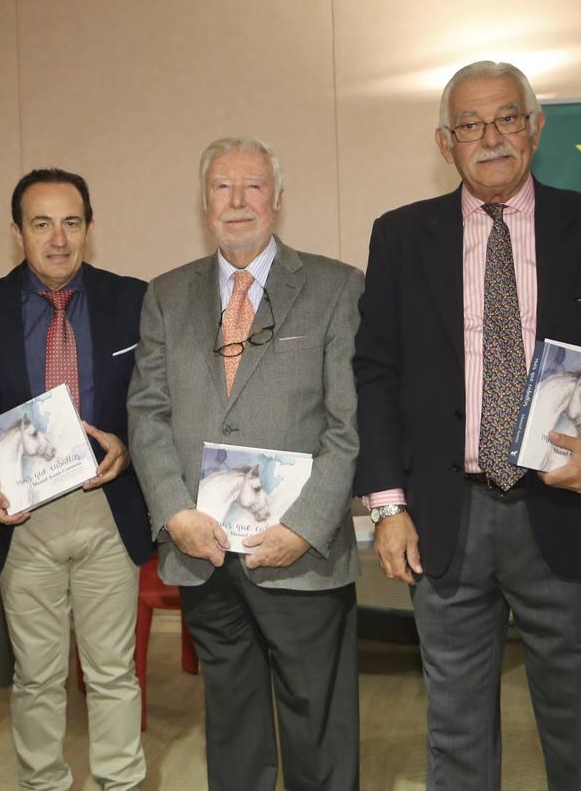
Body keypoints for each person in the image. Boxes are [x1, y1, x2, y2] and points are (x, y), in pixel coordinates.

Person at [352, 60, 581, 790]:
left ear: (536, 127)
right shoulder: (401, 236)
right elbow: (375, 374)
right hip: (447, 520)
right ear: (445, 144)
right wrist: (386, 505)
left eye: (507, 117)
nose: (491, 137)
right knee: (457, 739)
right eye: (470, 124)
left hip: (572, 509)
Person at [127, 136, 363, 791]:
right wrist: (175, 513)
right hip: (202, 552)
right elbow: (148, 414)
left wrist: (307, 527)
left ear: (279, 200)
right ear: (204, 203)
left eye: (253, 186)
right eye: (223, 187)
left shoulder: (335, 288)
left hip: (299, 553)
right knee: (231, 722)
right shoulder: (166, 297)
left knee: (318, 725)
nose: (238, 201)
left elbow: (350, 425)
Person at [0, 168, 151, 790]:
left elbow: (160, 402)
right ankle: (43, 784)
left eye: (72, 222)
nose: (58, 239)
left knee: (113, 671)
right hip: (23, 517)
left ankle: (120, 782)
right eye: (42, 223)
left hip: (107, 508)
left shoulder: (136, 301)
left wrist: (131, 446)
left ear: (90, 227)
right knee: (37, 676)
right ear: (17, 232)